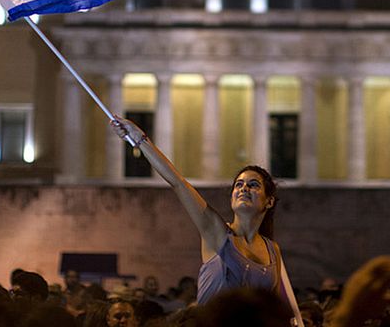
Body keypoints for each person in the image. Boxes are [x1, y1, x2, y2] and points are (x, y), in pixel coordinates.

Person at [111, 117, 286, 308]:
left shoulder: (272, 250)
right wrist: (140, 140)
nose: (244, 188)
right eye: (239, 184)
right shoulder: (217, 232)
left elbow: (273, 308)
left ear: (269, 201)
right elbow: (178, 183)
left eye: (253, 185)